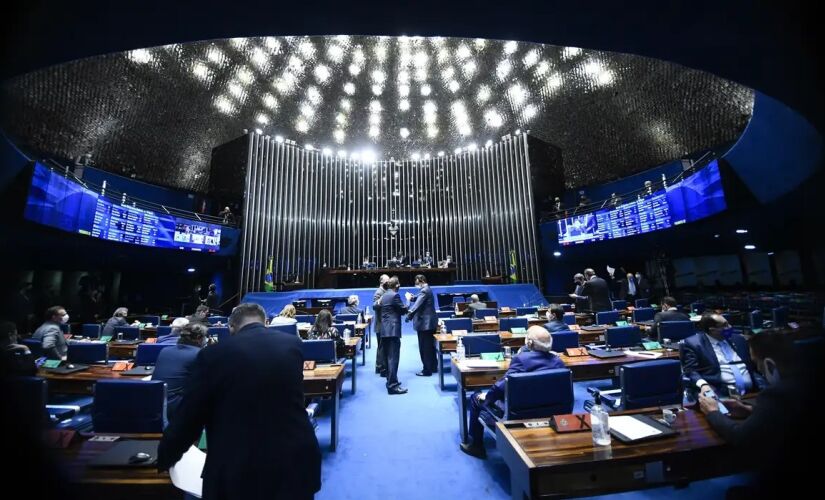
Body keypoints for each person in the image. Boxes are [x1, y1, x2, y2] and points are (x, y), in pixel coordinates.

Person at [157, 303, 321, 499]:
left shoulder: (212, 355)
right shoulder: (293, 345)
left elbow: (189, 418)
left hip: (238, 470)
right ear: (265, 323)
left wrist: (164, 457)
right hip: (296, 463)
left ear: (231, 327)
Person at [698, 331, 819, 496]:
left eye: (758, 366)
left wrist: (712, 412)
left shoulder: (777, 393)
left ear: (769, 365)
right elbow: (794, 413)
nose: (760, 372)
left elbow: (740, 438)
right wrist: (750, 410)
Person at [461, 326, 566, 458]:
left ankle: (476, 446)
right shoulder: (558, 361)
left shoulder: (521, 360)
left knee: (475, 398)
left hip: (520, 414)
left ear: (529, 343)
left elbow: (499, 388)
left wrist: (486, 398)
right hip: (552, 413)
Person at [682, 313, 758, 399]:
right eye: (725, 325)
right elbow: (690, 370)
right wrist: (703, 384)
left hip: (752, 393)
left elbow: (753, 365)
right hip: (720, 393)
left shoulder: (739, 339)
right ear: (712, 329)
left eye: (728, 323)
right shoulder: (695, 344)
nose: (730, 327)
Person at [152, 323, 208, 420]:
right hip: (175, 408)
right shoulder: (199, 354)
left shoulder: (164, 350)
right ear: (199, 337)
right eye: (206, 336)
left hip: (154, 403)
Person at [380, 277, 408, 394]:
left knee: (387, 358)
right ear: (396, 285)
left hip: (385, 330)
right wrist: (408, 300)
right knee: (393, 358)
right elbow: (403, 310)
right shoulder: (395, 295)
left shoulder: (385, 295)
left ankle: (390, 380)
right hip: (392, 331)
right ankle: (393, 386)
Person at [406, 274, 438, 376]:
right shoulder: (427, 289)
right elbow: (419, 298)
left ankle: (426, 370)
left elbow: (416, 306)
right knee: (431, 347)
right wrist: (411, 298)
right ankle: (433, 367)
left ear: (421, 281)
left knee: (425, 348)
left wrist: (409, 316)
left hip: (425, 324)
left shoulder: (424, 290)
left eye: (416, 283)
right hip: (430, 323)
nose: (416, 285)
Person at [373, 274, 390, 376]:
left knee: (382, 347)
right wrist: (380, 300)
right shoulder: (379, 292)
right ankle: (381, 367)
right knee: (381, 347)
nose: (388, 282)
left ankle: (380, 367)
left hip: (383, 324)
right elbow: (375, 305)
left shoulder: (385, 291)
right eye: (387, 280)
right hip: (380, 324)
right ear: (382, 281)